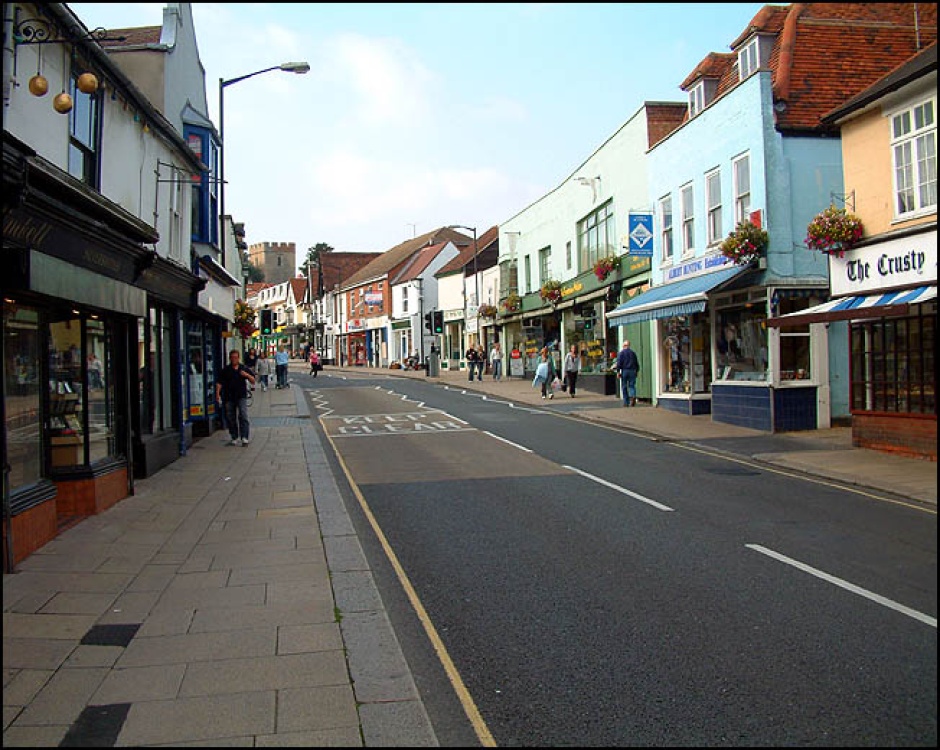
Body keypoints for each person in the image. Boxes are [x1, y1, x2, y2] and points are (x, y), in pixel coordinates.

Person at [216, 349, 255, 445]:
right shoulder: (226, 370)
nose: (234, 359)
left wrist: (246, 375)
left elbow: (253, 380)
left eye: (236, 358)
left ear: (239, 358)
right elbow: (219, 383)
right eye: (232, 357)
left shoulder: (243, 368)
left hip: (241, 395)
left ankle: (244, 437)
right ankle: (234, 436)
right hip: (229, 396)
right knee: (230, 417)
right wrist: (217, 394)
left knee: (243, 415)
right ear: (230, 358)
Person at [616, 339, 640, 407]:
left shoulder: (621, 353)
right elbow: (636, 363)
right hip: (632, 371)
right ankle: (633, 396)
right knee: (632, 385)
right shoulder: (633, 353)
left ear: (624, 345)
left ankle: (626, 402)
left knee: (624, 386)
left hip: (625, 371)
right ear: (629, 346)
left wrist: (618, 371)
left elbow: (619, 363)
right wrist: (637, 371)